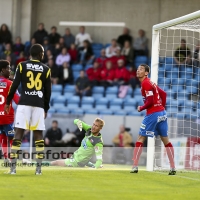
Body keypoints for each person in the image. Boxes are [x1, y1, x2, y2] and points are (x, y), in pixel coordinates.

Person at [4, 44, 51, 175]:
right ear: (40, 54)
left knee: (18, 133)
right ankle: (38, 170)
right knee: (38, 136)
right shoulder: (46, 69)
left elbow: (15, 85)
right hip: (38, 104)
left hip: (24, 103)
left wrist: (8, 102)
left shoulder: (22, 65)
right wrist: (46, 107)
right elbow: (48, 91)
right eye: (43, 52)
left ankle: (13, 169)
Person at [130, 64, 176, 175]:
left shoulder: (146, 83)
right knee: (166, 140)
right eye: (138, 69)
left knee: (140, 137)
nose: (138, 70)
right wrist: (161, 108)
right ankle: (173, 167)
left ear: (146, 73)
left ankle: (135, 166)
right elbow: (163, 94)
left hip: (153, 114)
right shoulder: (151, 82)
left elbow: (150, 102)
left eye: (141, 69)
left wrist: (141, 108)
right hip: (162, 114)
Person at [0, 60, 20, 166]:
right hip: (8, 116)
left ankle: (6, 157)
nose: (10, 70)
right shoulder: (10, 84)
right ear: (2, 70)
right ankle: (13, 161)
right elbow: (17, 100)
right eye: (8, 68)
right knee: (12, 137)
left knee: (2, 135)